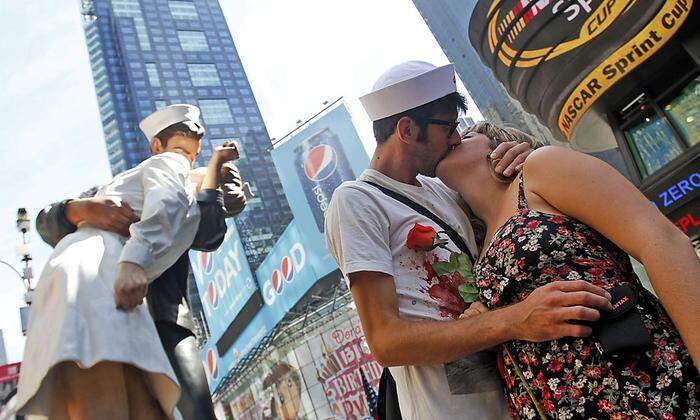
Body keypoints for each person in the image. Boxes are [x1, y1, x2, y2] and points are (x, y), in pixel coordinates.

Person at [324, 61, 613, 419]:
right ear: (408, 129)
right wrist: (517, 319)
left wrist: (523, 155)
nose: (456, 138)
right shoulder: (357, 200)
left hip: (527, 398)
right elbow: (386, 341)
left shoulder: (443, 189)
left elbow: (511, 225)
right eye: (448, 127)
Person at [436, 121, 699, 418]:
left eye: (468, 134)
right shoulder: (477, 248)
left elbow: (662, 242)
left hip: (638, 388)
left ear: (499, 145)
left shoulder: (538, 169)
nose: (454, 136)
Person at [16, 104, 239, 419]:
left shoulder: (190, 193)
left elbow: (207, 232)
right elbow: (46, 221)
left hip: (155, 315)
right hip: (104, 287)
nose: (187, 159)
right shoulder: (143, 177)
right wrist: (79, 208)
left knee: (146, 405)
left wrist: (214, 187)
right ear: (156, 147)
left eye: (194, 154)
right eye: (180, 150)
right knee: (109, 399)